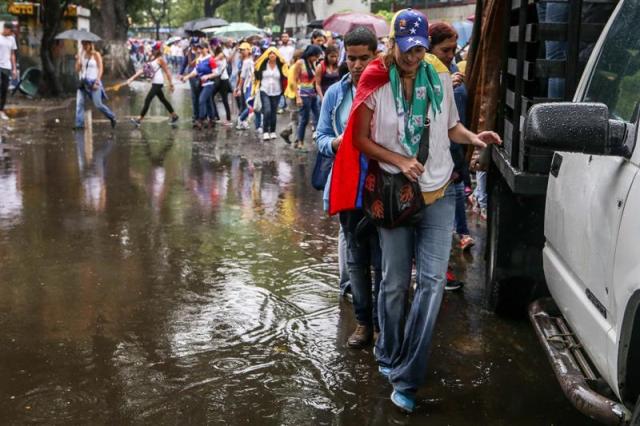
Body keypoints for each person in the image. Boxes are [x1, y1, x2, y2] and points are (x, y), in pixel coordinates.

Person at [328, 9, 501, 412]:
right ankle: (388, 351)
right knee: (391, 284)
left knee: (432, 284)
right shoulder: (374, 79)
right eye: (406, 49)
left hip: (438, 192)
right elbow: (359, 139)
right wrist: (399, 159)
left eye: (419, 48)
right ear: (392, 44)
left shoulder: (439, 74)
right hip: (394, 196)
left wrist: (474, 136)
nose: (413, 56)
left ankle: (407, 377)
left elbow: (450, 127)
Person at [316, 26, 379, 348]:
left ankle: (383, 325)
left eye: (363, 58)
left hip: (382, 188)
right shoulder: (335, 94)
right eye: (351, 58)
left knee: (383, 261)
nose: (356, 65)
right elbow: (321, 137)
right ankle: (364, 323)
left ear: (375, 56)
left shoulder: (388, 88)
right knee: (355, 257)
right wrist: (336, 143)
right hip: (348, 186)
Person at [428, 21, 475, 252]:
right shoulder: (423, 76)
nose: (450, 55)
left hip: (454, 153)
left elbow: (455, 124)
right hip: (434, 160)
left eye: (453, 50)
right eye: (444, 50)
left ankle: (460, 235)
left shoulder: (453, 71)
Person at [128, 42, 178, 127]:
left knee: (147, 99)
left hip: (158, 83)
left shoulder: (160, 59)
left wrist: (171, 84)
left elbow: (167, 72)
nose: (152, 50)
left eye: (154, 49)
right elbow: (143, 70)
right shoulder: (152, 58)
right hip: (154, 82)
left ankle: (139, 120)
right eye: (152, 49)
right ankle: (174, 115)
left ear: (158, 50)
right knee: (163, 100)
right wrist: (132, 78)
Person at [74, 40, 116, 130]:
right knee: (80, 103)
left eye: (86, 44)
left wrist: (97, 81)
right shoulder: (82, 55)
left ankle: (112, 116)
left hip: (94, 82)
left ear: (90, 45)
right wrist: (78, 60)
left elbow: (100, 69)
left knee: (98, 104)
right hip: (83, 82)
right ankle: (79, 125)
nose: (84, 46)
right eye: (83, 44)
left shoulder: (96, 54)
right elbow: (77, 70)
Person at [253, 47, 288, 140]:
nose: (272, 55)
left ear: (277, 55)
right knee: (267, 111)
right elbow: (257, 76)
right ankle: (265, 131)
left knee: (273, 112)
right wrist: (255, 67)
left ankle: (272, 131)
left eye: (274, 53)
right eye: (270, 53)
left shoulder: (281, 66)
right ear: (267, 55)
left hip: (277, 92)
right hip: (264, 90)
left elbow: (286, 76)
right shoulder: (263, 64)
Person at [292, 44, 323, 149]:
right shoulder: (300, 63)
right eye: (316, 56)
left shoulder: (312, 64)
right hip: (303, 94)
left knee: (318, 116)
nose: (317, 58)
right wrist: (298, 97)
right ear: (310, 54)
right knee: (304, 119)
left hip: (313, 94)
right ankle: (300, 142)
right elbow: (294, 81)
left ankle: (318, 140)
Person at [181, 41, 217, 130]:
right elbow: (195, 71)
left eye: (202, 48)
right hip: (201, 84)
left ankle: (201, 120)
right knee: (208, 102)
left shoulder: (210, 59)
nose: (200, 50)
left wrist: (207, 76)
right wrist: (187, 77)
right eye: (199, 48)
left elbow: (216, 72)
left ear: (207, 49)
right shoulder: (199, 59)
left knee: (201, 100)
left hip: (209, 84)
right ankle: (212, 119)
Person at [180, 37, 202, 124]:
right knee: (194, 96)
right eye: (194, 45)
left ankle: (202, 115)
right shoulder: (188, 53)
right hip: (192, 75)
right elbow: (184, 63)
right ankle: (195, 115)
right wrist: (180, 73)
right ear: (191, 45)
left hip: (200, 74)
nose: (196, 47)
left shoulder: (201, 52)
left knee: (201, 95)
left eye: (197, 45)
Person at [235, 42, 255, 130]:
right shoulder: (246, 62)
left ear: (248, 50)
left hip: (250, 85)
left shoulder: (248, 61)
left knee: (249, 105)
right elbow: (242, 76)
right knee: (251, 105)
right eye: (241, 50)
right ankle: (241, 119)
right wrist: (238, 88)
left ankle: (242, 121)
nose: (242, 51)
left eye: (243, 50)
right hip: (248, 86)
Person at [211, 45, 232, 125]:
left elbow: (213, 60)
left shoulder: (222, 55)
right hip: (218, 80)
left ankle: (228, 119)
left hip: (224, 80)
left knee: (225, 100)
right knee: (211, 96)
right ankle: (217, 116)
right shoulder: (216, 55)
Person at [0, 22, 17, 121]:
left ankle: (1, 110)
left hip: (7, 67)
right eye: (10, 31)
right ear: (5, 29)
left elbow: (12, 54)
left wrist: (14, 68)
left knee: (4, 89)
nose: (12, 33)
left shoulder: (12, 39)